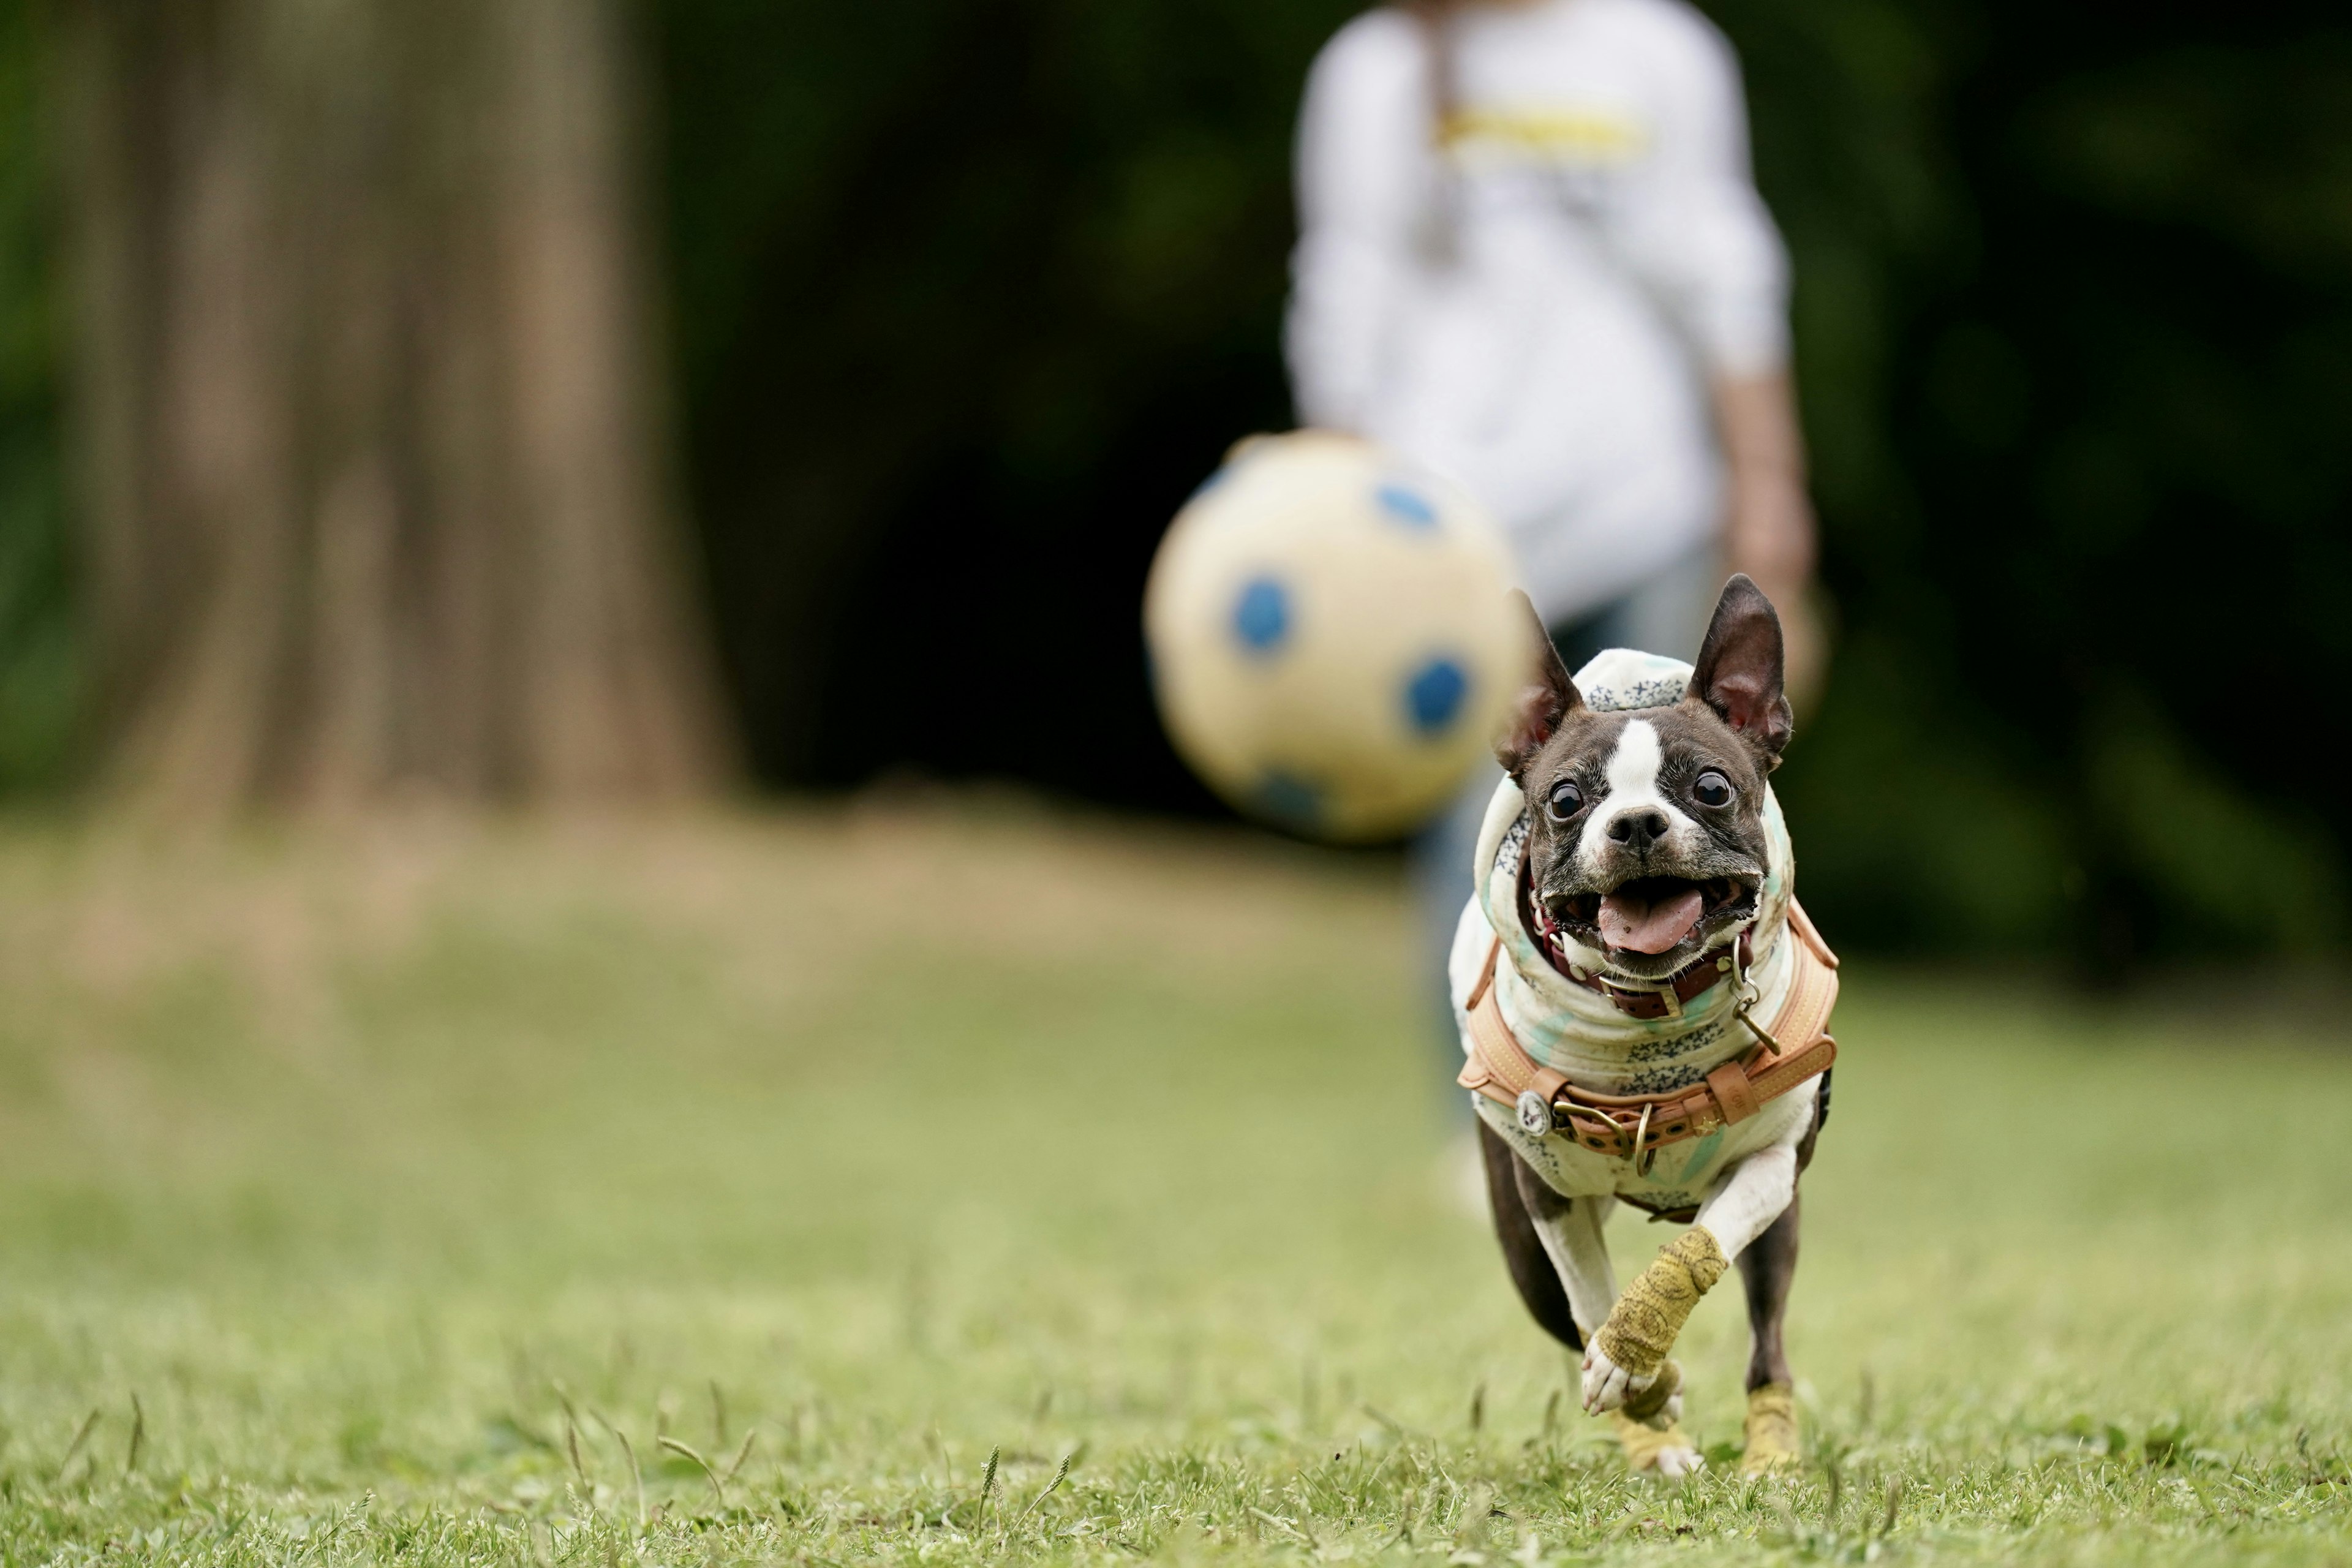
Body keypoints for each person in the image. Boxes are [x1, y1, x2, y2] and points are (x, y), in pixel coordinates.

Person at [1282, 0, 1822, 1051]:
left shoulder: (1658, 47)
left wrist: (1766, 476)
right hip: (1444, 525)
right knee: (1477, 833)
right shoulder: (1376, 67)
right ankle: (1499, 1103)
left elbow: (1727, 276)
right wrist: (1332, 517)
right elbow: (1344, 294)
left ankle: (1692, 1085)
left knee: (1689, 801)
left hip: (1644, 496)